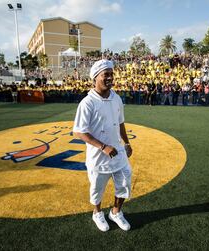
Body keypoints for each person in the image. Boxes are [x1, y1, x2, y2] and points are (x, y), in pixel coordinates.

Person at [73, 59, 133, 232]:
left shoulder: (117, 98)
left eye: (111, 74)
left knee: (124, 182)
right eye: (106, 74)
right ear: (95, 78)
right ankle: (97, 213)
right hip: (98, 156)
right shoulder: (87, 103)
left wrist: (126, 142)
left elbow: (121, 123)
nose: (110, 78)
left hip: (118, 152)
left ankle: (116, 212)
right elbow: (79, 132)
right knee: (97, 189)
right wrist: (103, 147)